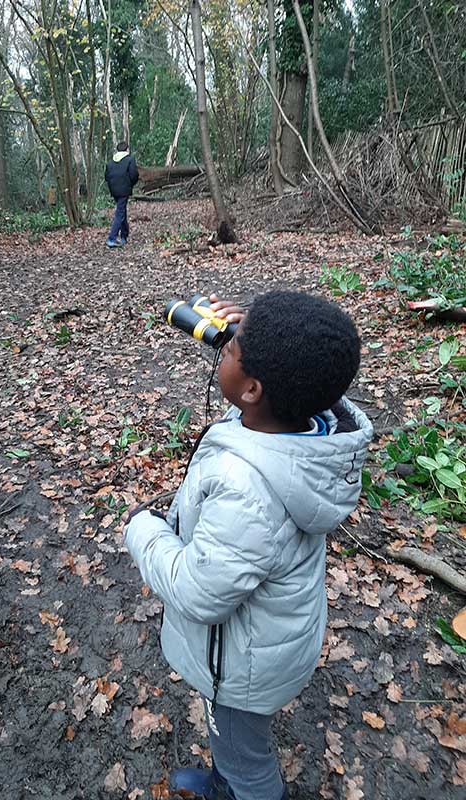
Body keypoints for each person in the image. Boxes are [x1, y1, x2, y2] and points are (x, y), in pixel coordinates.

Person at [125, 291, 373, 800]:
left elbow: (198, 593)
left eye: (233, 349)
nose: (225, 348)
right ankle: (228, 778)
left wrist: (142, 530)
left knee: (241, 752)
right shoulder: (294, 426)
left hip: (240, 666)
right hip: (268, 639)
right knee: (235, 744)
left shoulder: (247, 492)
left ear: (254, 389)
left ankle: (241, 788)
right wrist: (258, 332)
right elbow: (299, 363)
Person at [104, 140, 139, 247]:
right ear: (127, 149)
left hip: (114, 190)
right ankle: (111, 238)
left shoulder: (110, 163)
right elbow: (134, 175)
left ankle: (124, 235)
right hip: (124, 190)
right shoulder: (130, 160)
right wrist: (129, 185)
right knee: (120, 213)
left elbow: (106, 177)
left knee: (122, 210)